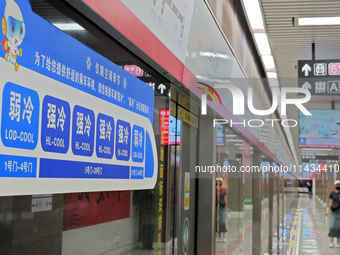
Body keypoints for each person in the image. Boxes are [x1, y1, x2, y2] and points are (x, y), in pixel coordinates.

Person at [215, 177, 231, 243]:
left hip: (222, 207)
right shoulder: (214, 190)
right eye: (217, 181)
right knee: (217, 221)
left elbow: (225, 199)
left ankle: (223, 237)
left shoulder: (223, 190)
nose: (218, 183)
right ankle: (217, 236)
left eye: (220, 182)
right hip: (216, 207)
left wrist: (227, 207)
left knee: (223, 221)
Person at [325, 180, 340, 248]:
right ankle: (331, 242)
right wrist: (328, 211)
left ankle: (337, 242)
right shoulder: (332, 193)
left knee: (338, 227)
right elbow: (330, 202)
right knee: (332, 226)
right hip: (333, 211)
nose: (338, 186)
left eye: (339, 185)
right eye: (337, 185)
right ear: (335, 186)